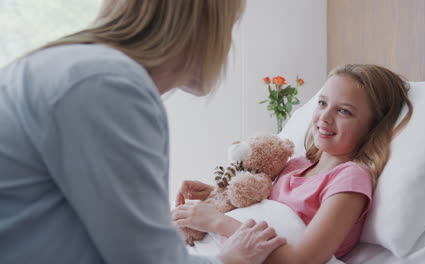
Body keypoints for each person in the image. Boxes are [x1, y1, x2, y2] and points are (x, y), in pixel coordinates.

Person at [0, 0, 286, 264]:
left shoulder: (79, 68)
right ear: (203, 25)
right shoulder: (107, 86)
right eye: (230, 26)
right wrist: (228, 260)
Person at [172, 64, 414, 263]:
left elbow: (302, 260)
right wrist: (211, 197)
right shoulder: (295, 165)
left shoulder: (350, 179)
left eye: (345, 112)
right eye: (322, 103)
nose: (325, 117)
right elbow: (259, 208)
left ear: (373, 125)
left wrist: (215, 221)